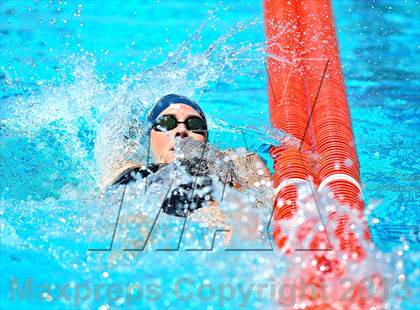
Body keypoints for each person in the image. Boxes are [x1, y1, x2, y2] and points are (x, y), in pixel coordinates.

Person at [109, 94, 272, 218]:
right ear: (149, 136)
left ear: (206, 139)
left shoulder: (232, 167)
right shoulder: (131, 174)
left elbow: (265, 207)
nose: (181, 131)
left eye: (194, 125)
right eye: (167, 123)